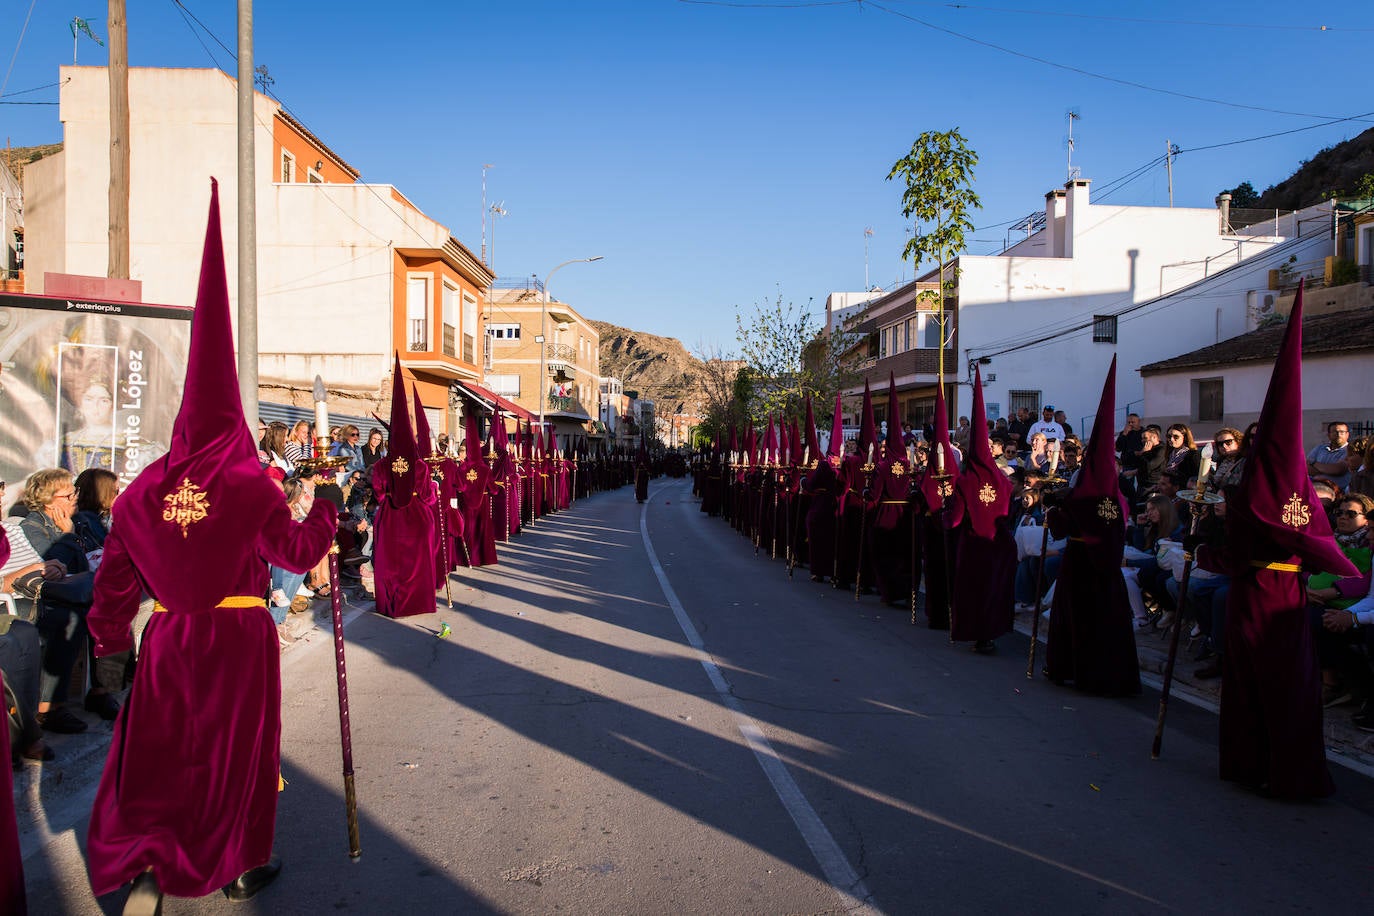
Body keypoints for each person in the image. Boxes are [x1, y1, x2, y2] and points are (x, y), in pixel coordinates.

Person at [85, 183, 337, 909]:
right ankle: (234, 866)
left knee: (162, 753)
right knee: (234, 757)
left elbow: (114, 584)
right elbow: (292, 552)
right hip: (237, 640)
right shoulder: (252, 486)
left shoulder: (139, 493)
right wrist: (324, 515)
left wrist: (108, 649)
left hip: (167, 636)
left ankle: (145, 861)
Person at [1197, 285, 1357, 798]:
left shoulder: (1249, 498)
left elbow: (1237, 556)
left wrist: (1201, 554)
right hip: (1291, 598)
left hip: (1256, 599)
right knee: (1292, 685)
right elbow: (1320, 542)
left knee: (1255, 684)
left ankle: (1257, 766)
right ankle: (1296, 772)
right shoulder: (1305, 496)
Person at [1044, 356, 1141, 697]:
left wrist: (1052, 507)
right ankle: (1112, 675)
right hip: (1108, 571)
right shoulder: (1118, 500)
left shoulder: (1078, 497)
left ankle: (1073, 669)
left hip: (1080, 566)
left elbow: (1057, 529)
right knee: (1108, 621)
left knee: (1078, 619)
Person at [947, 367, 1015, 652]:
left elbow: (956, 519)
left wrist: (943, 518)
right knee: (993, 590)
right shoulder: (1003, 480)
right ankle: (990, 634)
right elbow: (1008, 512)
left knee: (974, 590)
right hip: (998, 545)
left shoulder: (965, 481)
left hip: (974, 546)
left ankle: (977, 634)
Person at [1307, 420, 1351, 491]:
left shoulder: (1350, 450)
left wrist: (1313, 463)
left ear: (1347, 434)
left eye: (1342, 432)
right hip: (1315, 488)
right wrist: (1328, 470)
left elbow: (1338, 469)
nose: (1338, 434)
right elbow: (1306, 468)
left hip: (1337, 492)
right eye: (1335, 432)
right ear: (1328, 435)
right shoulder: (1319, 448)